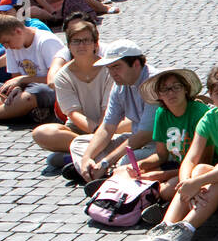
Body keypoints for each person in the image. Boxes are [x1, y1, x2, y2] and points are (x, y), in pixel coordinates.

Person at [137, 65, 218, 241]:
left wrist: (196, 183)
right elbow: (190, 159)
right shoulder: (209, 119)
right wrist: (188, 183)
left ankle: (187, 228)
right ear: (211, 94)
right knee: (201, 169)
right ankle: (167, 225)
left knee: (217, 170)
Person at [67, 39, 158, 182]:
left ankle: (102, 174)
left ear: (136, 64)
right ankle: (94, 171)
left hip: (157, 145)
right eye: (109, 68)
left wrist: (106, 161)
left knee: (126, 160)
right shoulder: (120, 84)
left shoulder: (153, 84)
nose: (112, 73)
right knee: (79, 143)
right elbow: (107, 127)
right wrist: (87, 157)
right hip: (134, 141)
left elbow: (144, 135)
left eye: (116, 67)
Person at [31, 14, 112, 166]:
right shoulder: (63, 75)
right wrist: (95, 133)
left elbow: (107, 109)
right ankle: (94, 152)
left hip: (109, 126)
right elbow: (73, 113)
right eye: (76, 41)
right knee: (41, 133)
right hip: (78, 130)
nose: (81, 45)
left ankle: (78, 156)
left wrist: (101, 133)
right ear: (68, 46)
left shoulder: (109, 70)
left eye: (86, 40)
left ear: (95, 44)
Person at [131, 67, 211, 213]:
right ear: (159, 95)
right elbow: (161, 155)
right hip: (174, 165)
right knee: (123, 171)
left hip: (198, 171)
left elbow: (204, 160)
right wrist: (141, 165)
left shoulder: (199, 113)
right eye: (165, 89)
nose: (171, 93)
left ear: (185, 89)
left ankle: (161, 207)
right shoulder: (161, 114)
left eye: (176, 87)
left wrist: (162, 175)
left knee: (166, 190)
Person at [0, 14, 67, 127]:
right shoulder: (12, 46)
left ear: (18, 31)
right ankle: (20, 111)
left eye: (7, 42)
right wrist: (17, 87)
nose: (6, 47)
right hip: (25, 89)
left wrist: (23, 80)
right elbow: (15, 77)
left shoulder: (46, 41)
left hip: (46, 89)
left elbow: (58, 79)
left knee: (34, 94)